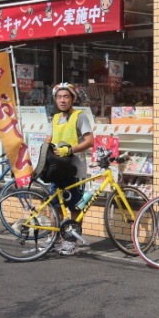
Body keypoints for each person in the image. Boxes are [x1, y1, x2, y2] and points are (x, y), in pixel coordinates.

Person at [43, 82, 94, 256]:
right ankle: (54, 238)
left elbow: (89, 141)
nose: (62, 100)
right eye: (59, 97)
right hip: (57, 170)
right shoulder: (55, 118)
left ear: (73, 98)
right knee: (55, 206)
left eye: (66, 97)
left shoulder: (80, 117)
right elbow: (48, 141)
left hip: (75, 170)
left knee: (75, 208)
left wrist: (70, 149)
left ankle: (71, 241)